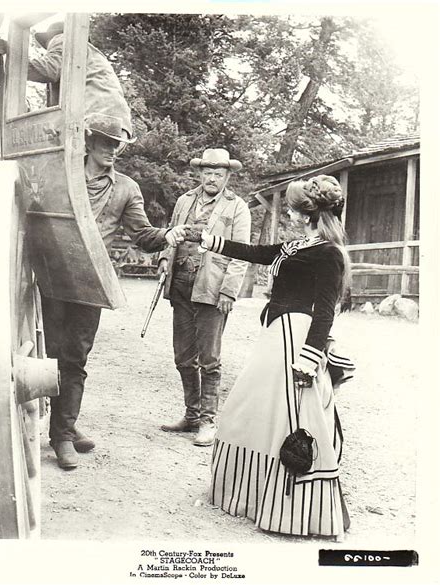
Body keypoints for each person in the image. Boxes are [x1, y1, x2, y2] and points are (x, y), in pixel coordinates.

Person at [200, 175, 352, 539]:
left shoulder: (328, 252)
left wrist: (310, 358)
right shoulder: (296, 246)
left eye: (291, 208)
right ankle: (252, 495)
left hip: (297, 341)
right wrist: (207, 240)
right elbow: (256, 253)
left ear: (306, 213)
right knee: (252, 410)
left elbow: (325, 310)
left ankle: (292, 509)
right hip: (276, 337)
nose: (287, 213)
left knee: (291, 419)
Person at [41, 112, 188, 470]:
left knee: (74, 357)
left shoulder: (125, 188)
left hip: (90, 283)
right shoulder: (61, 174)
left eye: (117, 145)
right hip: (48, 277)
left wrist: (167, 236)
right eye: (107, 143)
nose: (113, 151)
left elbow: (143, 233)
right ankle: (65, 425)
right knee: (47, 354)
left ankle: (62, 435)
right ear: (89, 142)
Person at [159, 149, 251, 447]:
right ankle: (192, 416)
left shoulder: (237, 208)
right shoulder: (185, 201)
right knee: (183, 356)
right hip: (182, 285)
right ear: (200, 173)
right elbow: (171, 236)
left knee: (209, 358)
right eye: (208, 172)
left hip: (213, 289)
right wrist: (163, 259)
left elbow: (241, 254)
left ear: (227, 176)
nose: (212, 178)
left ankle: (209, 421)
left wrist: (229, 290)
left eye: (218, 173)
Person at [28, 21, 133, 133]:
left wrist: (12, 62)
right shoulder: (89, 54)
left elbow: (49, 69)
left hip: (94, 119)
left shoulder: (64, 39)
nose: (48, 48)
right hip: (117, 123)